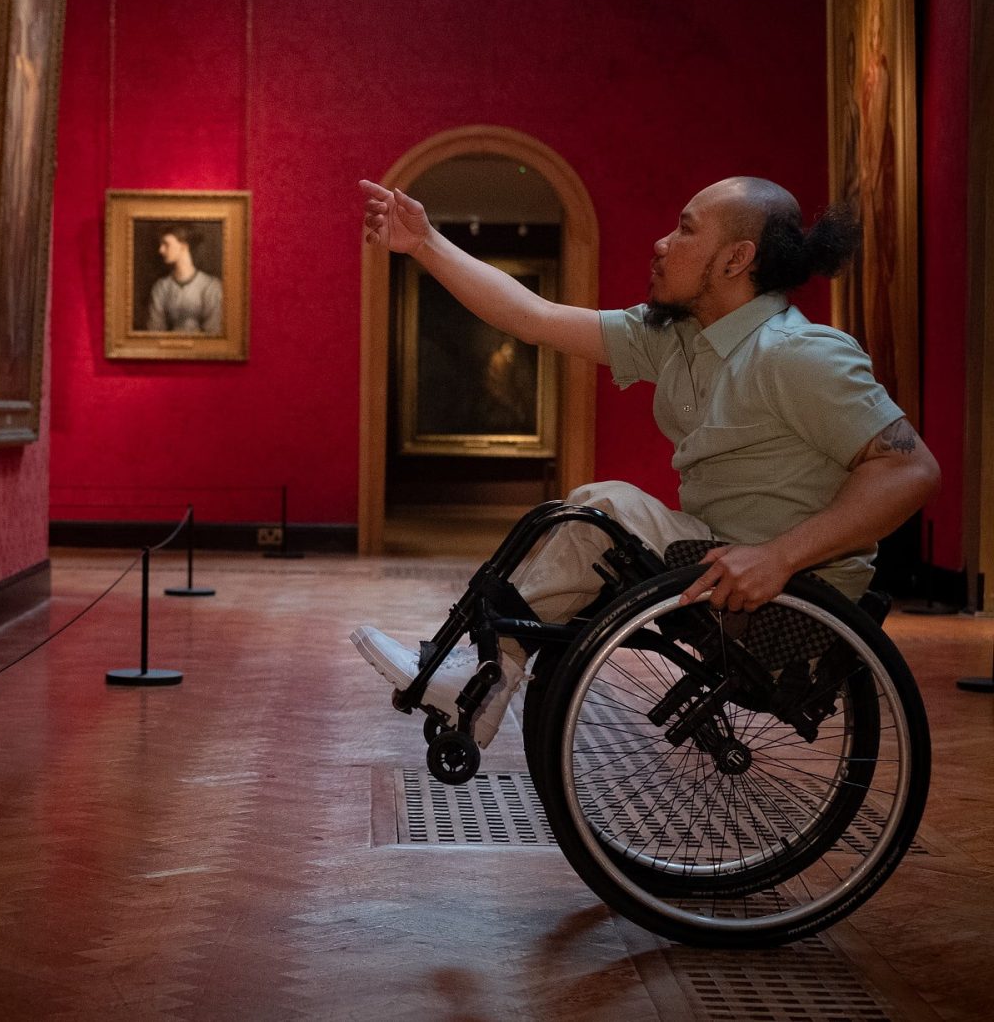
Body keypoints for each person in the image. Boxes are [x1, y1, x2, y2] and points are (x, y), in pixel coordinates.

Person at [354, 175, 940, 748]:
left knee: (602, 508)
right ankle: (482, 676)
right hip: (715, 555)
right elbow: (532, 317)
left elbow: (911, 470)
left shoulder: (801, 353)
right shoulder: (678, 337)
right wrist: (425, 242)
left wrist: (778, 556)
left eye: (685, 230)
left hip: (792, 596)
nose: (662, 243)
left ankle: (480, 684)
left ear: (737, 259)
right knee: (579, 509)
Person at [147, 225, 223, 333]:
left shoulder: (211, 286)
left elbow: (214, 332)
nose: (161, 250)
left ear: (183, 246)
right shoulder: (161, 287)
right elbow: (154, 330)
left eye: (166, 244)